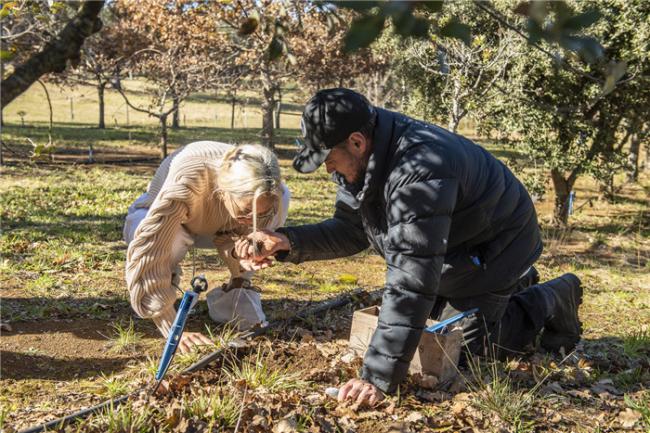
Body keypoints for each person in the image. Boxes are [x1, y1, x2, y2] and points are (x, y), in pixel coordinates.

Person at [235, 88, 583, 406]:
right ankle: (508, 289)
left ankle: (551, 297)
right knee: (436, 333)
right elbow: (350, 230)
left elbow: (412, 277)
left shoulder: (421, 171)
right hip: (452, 245)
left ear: (356, 142)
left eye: (328, 157)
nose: (327, 167)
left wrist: (377, 377)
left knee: (459, 356)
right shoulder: (364, 158)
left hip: (498, 248)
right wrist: (286, 241)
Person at [124, 141, 290, 354]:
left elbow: (229, 235)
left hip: (210, 225)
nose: (253, 220)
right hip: (160, 223)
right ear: (224, 192)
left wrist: (240, 253)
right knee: (174, 239)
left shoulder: (273, 196)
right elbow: (149, 249)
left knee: (277, 203)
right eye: (246, 211)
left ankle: (237, 288)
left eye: (262, 213)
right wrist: (172, 329)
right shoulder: (189, 179)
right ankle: (169, 290)